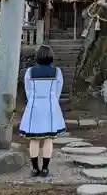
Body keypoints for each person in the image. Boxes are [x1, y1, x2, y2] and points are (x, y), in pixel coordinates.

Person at [19, 45, 66, 177]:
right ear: (51, 56)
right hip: (50, 107)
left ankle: (34, 169)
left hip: (34, 106)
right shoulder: (57, 72)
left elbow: (28, 90)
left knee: (33, 139)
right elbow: (58, 91)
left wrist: (34, 100)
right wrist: (51, 101)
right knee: (48, 138)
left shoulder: (30, 71)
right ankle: (45, 169)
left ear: (38, 56)